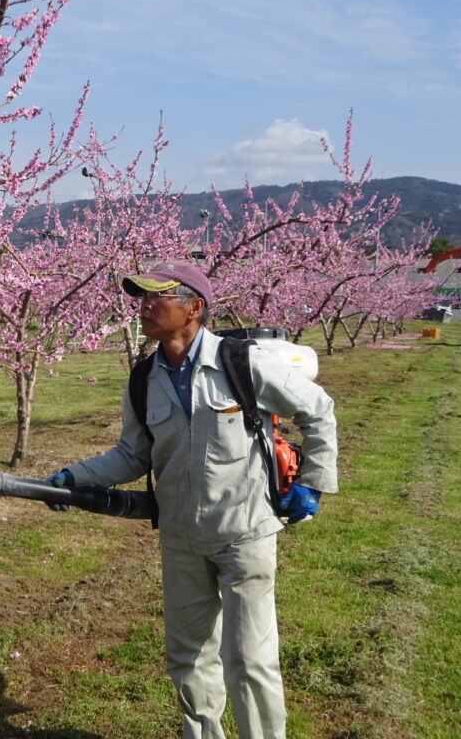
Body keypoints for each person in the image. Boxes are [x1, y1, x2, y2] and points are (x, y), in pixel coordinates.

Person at [46, 260, 337, 739]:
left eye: (156, 297)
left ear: (194, 308)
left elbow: (318, 410)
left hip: (243, 532)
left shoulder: (242, 363)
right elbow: (132, 455)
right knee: (189, 656)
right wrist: (74, 478)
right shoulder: (145, 379)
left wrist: (314, 481)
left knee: (248, 659)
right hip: (181, 537)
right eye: (140, 297)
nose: (144, 306)